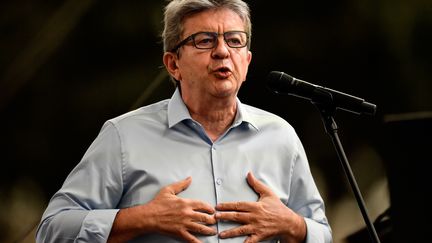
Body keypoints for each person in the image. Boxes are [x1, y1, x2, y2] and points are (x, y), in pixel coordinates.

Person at [36, 0, 332, 242]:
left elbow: (322, 233)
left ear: (247, 61)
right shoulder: (123, 136)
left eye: (234, 40)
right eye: (204, 40)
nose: (222, 51)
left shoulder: (281, 136)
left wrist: (292, 224)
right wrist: (144, 217)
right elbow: (52, 229)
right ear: (173, 64)